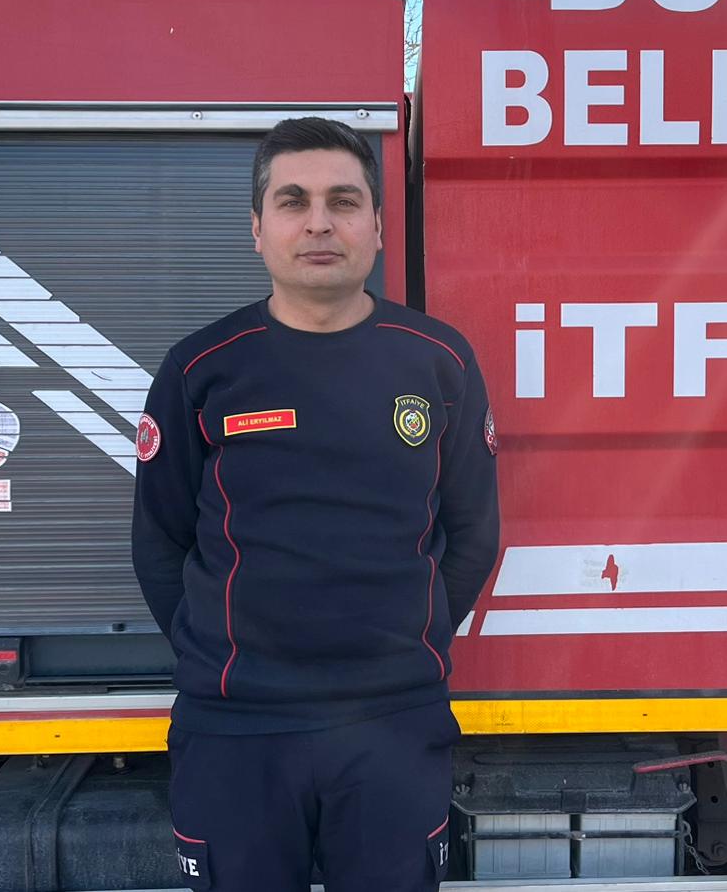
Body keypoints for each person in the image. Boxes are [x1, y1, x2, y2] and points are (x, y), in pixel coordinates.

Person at [132, 116, 500, 891]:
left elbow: (472, 532)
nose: (319, 222)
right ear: (257, 229)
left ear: (377, 226)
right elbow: (160, 541)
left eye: (344, 200)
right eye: (293, 200)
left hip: (393, 724)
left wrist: (410, 638)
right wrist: (223, 655)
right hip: (236, 728)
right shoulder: (201, 368)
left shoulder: (438, 363)